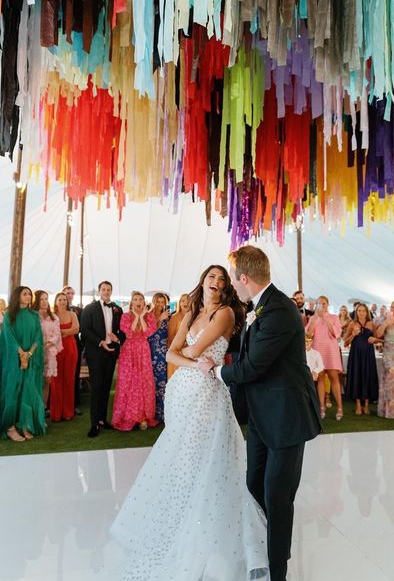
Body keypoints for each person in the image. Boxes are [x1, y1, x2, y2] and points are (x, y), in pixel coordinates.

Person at [111, 265, 269, 580]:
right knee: (183, 458)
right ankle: (183, 516)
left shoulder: (224, 313)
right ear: (203, 282)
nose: (217, 282)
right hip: (181, 391)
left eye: (222, 279)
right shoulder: (190, 314)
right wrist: (191, 361)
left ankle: (207, 526)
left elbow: (192, 349)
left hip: (208, 393)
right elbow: (172, 354)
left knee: (206, 459)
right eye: (212, 277)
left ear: (226, 288)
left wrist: (189, 357)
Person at [200, 247, 322, 581]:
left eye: (232, 279)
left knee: (277, 497)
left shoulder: (280, 310)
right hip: (261, 417)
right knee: (254, 485)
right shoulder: (260, 307)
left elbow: (254, 366)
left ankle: (278, 570)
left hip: (286, 418)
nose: (231, 287)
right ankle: (265, 548)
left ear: (244, 278)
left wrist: (217, 372)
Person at [0, 286, 45, 441]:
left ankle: (26, 425)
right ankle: (10, 427)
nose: (28, 296)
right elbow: (9, 338)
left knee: (28, 390)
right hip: (13, 361)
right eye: (24, 294)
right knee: (12, 390)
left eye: (29, 294)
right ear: (17, 296)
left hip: (30, 359)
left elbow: (38, 338)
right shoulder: (9, 315)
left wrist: (29, 354)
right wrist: (21, 354)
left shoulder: (34, 315)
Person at [81, 281, 125, 438]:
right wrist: (100, 342)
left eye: (109, 289)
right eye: (103, 289)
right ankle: (94, 423)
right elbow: (84, 329)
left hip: (111, 353)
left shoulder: (117, 309)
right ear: (99, 291)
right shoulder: (90, 308)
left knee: (106, 387)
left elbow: (123, 331)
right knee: (97, 387)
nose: (106, 292)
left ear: (111, 291)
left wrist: (117, 338)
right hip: (96, 353)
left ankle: (102, 420)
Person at [112, 291, 158, 431]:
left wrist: (142, 317)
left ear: (144, 303)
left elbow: (147, 332)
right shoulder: (126, 316)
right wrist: (136, 317)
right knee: (129, 382)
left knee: (143, 382)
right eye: (135, 299)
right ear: (132, 303)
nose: (138, 301)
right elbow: (129, 333)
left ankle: (143, 416)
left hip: (143, 350)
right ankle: (129, 417)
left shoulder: (150, 316)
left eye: (140, 299)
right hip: (129, 350)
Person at [306, 295, 344, 420]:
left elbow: (336, 334)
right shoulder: (313, 318)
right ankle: (321, 407)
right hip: (318, 350)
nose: (321, 306)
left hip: (331, 350)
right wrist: (315, 319)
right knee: (320, 378)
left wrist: (325, 318)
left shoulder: (334, 317)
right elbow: (309, 335)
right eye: (319, 303)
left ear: (327, 305)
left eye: (324, 303)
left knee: (334, 377)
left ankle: (339, 407)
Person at [344, 303, 379, 415]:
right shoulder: (352, 324)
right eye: (359, 310)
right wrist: (353, 334)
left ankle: (367, 405)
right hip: (356, 355)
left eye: (363, 310)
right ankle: (358, 405)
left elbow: (378, 339)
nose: (361, 313)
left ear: (367, 312)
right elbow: (345, 342)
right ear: (356, 312)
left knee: (368, 376)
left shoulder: (372, 324)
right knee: (357, 377)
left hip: (368, 355)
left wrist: (375, 339)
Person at [49, 292, 79, 422]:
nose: (62, 302)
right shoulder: (52, 316)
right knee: (56, 380)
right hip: (55, 350)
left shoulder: (72, 314)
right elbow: (50, 333)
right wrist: (67, 332)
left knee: (69, 379)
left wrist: (61, 332)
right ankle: (56, 413)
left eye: (64, 299)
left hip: (71, 349)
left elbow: (77, 329)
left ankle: (67, 412)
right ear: (55, 302)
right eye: (59, 299)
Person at [32, 290, 63, 411]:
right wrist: (38, 345)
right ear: (36, 301)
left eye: (46, 298)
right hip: (34, 351)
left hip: (49, 352)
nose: (45, 302)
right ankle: (33, 410)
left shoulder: (53, 317)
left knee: (47, 381)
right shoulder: (33, 316)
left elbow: (57, 334)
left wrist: (48, 344)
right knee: (35, 382)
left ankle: (42, 410)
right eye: (42, 299)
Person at [62, 285, 84, 415]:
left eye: (71, 293)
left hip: (74, 345)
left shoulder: (79, 310)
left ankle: (74, 403)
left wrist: (82, 343)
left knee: (74, 375)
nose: (69, 295)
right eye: (67, 293)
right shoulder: (54, 311)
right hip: (58, 346)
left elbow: (82, 328)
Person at [148, 292, 169, 422]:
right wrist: (160, 318)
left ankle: (163, 412)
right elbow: (149, 333)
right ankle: (153, 412)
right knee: (152, 382)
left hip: (164, 352)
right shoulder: (149, 316)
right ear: (154, 302)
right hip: (151, 351)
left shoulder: (168, 317)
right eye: (159, 302)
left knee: (163, 382)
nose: (161, 305)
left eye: (163, 302)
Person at [167, 293, 190, 378]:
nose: (186, 302)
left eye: (188, 300)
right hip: (177, 352)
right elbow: (170, 336)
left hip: (190, 352)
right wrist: (182, 345)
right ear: (179, 303)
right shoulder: (174, 317)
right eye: (183, 300)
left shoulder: (194, 317)